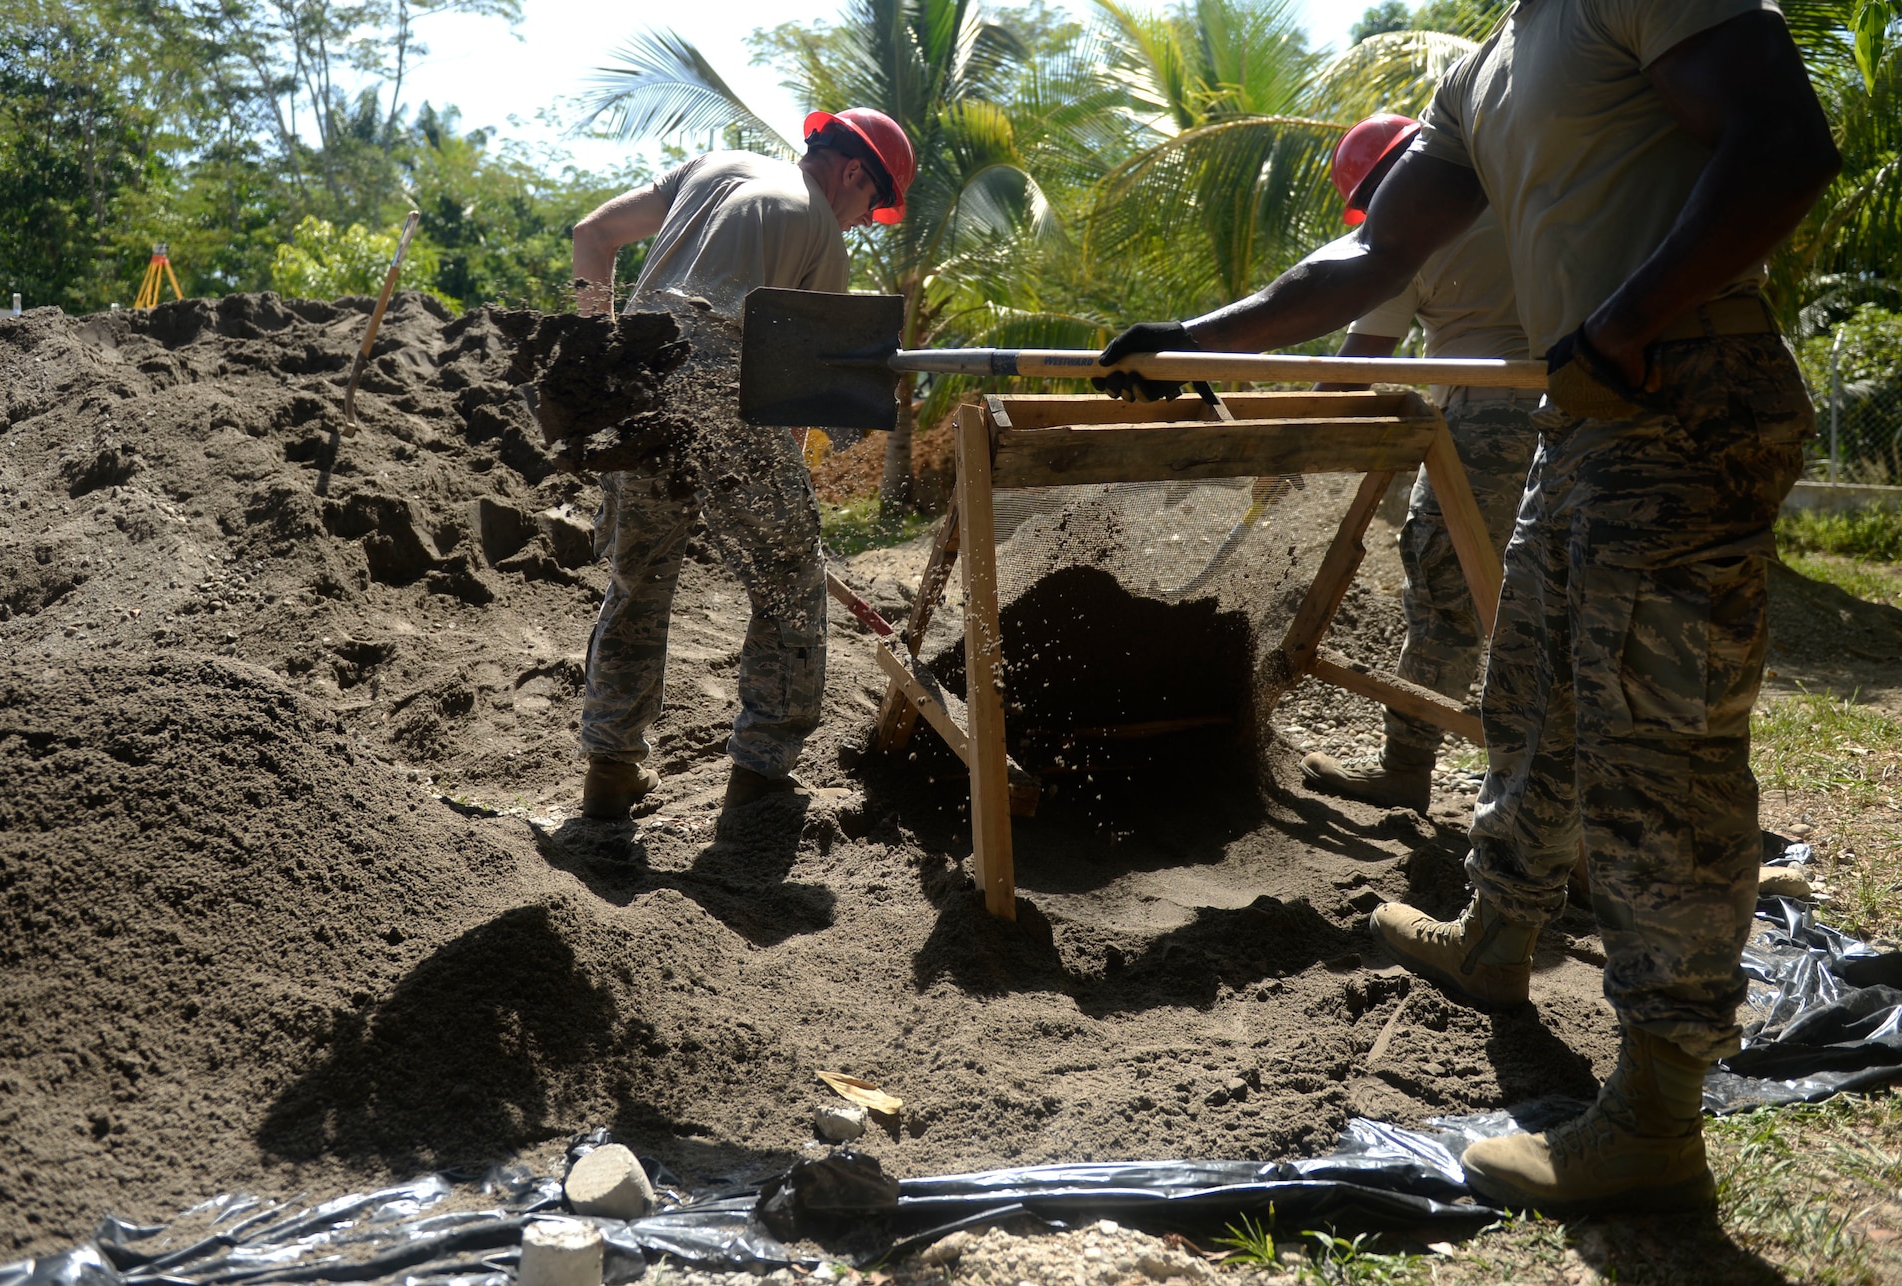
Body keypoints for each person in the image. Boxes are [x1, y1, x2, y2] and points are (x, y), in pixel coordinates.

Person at [1096, 3, 1838, 1214]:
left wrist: (1629, 317)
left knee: (1658, 749)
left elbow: (1781, 141)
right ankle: (1496, 935)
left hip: (1682, 379)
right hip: (1582, 409)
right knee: (1529, 687)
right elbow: (1373, 259)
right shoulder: (1482, 68)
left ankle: (1655, 1114)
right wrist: (1199, 339)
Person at [569, 109, 916, 819]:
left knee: (639, 580)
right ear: (852, 172)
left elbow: (591, 236)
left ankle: (610, 769)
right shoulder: (821, 226)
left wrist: (598, 351)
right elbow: (795, 388)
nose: (860, 221)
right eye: (870, 205)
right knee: (790, 583)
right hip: (720, 379)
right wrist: (782, 488)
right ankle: (761, 774)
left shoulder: (713, 165)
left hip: (635, 380)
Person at [1295, 112, 1539, 815]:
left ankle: (1405, 767)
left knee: (1444, 596)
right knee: (1554, 598)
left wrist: (1288, 446)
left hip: (1484, 426)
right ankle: (1567, 790)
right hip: (1573, 411)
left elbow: (1354, 369)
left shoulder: (1409, 231)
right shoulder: (1514, 195)